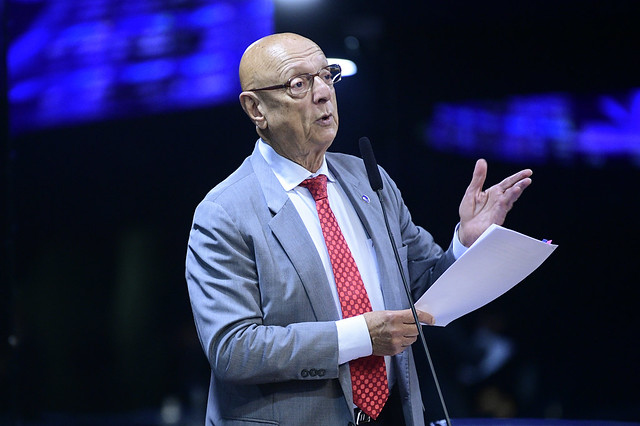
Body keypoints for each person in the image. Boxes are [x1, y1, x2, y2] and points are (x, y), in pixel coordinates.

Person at [185, 32, 532, 426]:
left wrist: (465, 242)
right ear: (256, 109)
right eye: (298, 83)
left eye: (326, 75)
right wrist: (359, 338)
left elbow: (424, 288)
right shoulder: (223, 213)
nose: (322, 93)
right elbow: (234, 350)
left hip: (395, 414)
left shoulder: (369, 180)